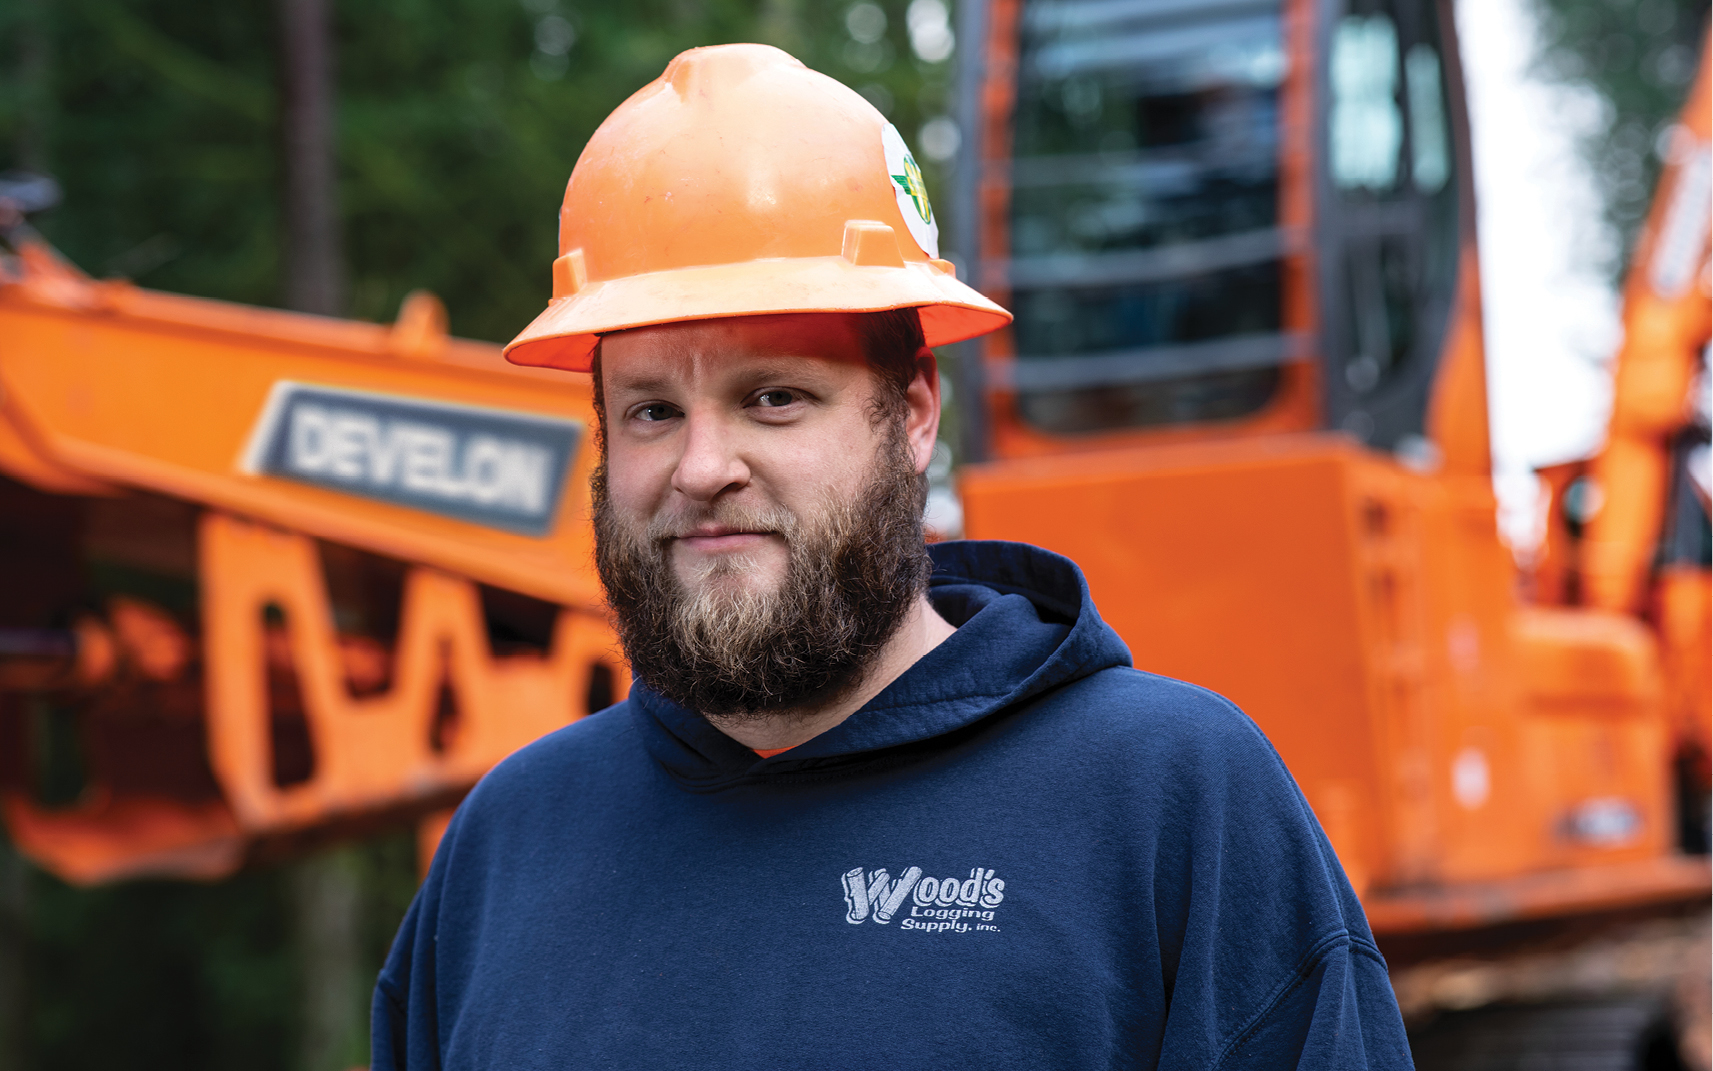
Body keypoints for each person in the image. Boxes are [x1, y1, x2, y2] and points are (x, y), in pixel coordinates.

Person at [372, 43, 1412, 1070]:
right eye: (651, 410)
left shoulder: (1166, 805)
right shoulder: (504, 849)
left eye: (773, 397)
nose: (700, 467)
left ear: (913, 414)